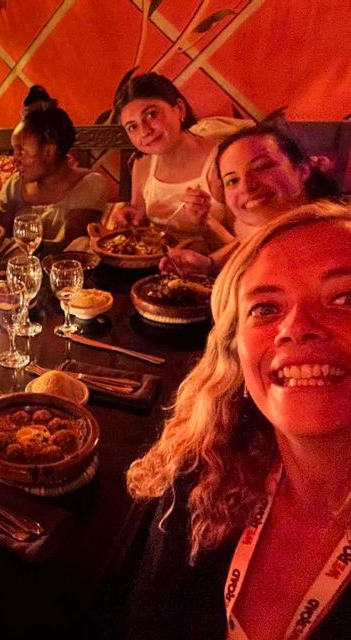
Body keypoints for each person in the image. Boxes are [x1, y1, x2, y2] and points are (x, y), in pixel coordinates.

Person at [94, 203, 351, 639]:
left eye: (345, 297)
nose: (296, 327)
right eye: (266, 309)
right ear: (237, 361)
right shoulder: (200, 480)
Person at [162, 121, 343, 276]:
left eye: (262, 167)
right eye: (232, 180)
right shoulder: (262, 229)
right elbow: (247, 244)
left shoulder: (331, 241)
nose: (247, 186)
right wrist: (209, 264)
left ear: (302, 170)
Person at [112, 72, 228, 251]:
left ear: (179, 109)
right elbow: (141, 224)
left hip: (216, 272)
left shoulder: (221, 162)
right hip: (157, 270)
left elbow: (245, 246)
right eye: (132, 126)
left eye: (151, 115)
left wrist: (207, 222)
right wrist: (133, 218)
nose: (144, 131)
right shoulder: (142, 164)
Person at [0, 85, 108, 245]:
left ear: (49, 151)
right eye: (14, 150)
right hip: (16, 268)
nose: (15, 159)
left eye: (22, 150)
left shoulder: (89, 185)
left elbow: (66, 248)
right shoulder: (14, 185)